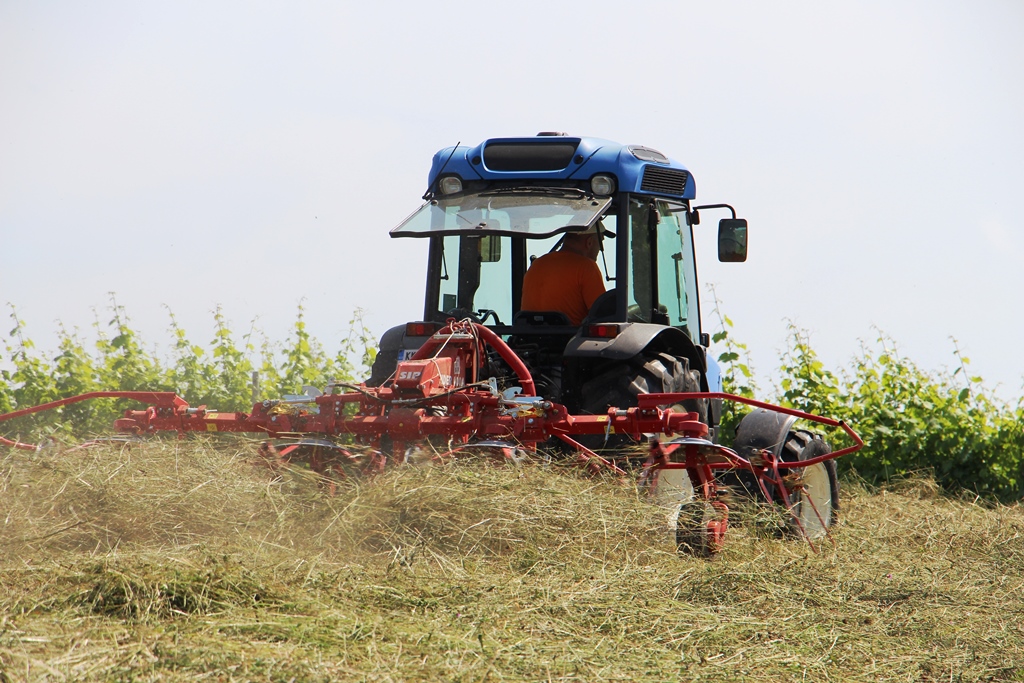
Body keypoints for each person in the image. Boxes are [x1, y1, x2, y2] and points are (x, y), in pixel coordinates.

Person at [520, 223, 612, 325]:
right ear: (589, 242)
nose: (600, 249)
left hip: (529, 338)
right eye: (600, 243)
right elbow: (603, 315)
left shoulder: (536, 265)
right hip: (570, 339)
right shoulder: (586, 267)